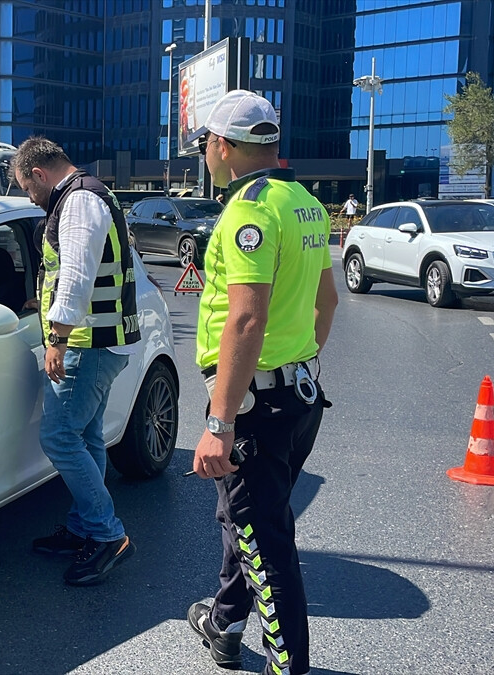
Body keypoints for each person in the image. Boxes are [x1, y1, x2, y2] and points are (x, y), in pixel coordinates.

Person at [183, 90, 338, 675]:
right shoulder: (304, 203)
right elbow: (326, 302)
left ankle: (286, 668)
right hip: (297, 399)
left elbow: (246, 318)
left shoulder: (248, 211)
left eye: (205, 145)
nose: (204, 154)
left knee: (267, 549)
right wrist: (297, 362)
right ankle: (224, 623)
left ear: (222, 145)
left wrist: (219, 423)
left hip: (255, 408)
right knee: (246, 519)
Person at [12, 136, 141, 586]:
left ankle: (107, 535)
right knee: (86, 437)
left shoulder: (79, 201)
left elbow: (77, 274)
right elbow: (68, 274)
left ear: (39, 174)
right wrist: (43, 302)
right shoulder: (86, 195)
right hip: (101, 340)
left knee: (60, 437)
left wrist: (58, 337)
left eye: (28, 189)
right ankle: (85, 528)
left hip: (88, 343)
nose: (30, 198)